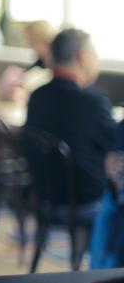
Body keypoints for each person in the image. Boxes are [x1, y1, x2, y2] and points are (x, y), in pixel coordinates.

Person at [24, 29, 116, 225]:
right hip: (86, 202)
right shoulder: (92, 102)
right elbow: (116, 143)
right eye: (95, 55)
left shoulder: (37, 96)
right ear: (83, 57)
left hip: (44, 199)